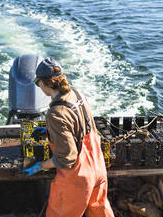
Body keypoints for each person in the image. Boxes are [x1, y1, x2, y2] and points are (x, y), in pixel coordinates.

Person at [23, 58, 114, 217]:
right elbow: (86, 128)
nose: (39, 87)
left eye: (38, 83)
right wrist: (49, 131)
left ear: (44, 83)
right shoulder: (78, 95)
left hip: (78, 179)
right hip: (98, 167)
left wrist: (39, 166)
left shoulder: (55, 113)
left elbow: (67, 158)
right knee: (100, 212)